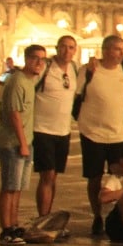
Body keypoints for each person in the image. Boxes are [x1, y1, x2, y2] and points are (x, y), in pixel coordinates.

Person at [79, 34, 123, 237]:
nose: (122, 53)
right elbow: (75, 93)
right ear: (106, 50)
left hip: (118, 133)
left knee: (120, 175)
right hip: (92, 132)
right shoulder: (89, 70)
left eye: (122, 49)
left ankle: (119, 215)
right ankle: (97, 216)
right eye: (117, 49)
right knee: (94, 177)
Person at [0, 44, 46, 245]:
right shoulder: (17, 81)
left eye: (42, 59)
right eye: (35, 58)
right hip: (12, 142)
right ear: (26, 59)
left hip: (24, 142)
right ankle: (6, 230)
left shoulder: (29, 81)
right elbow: (14, 114)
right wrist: (23, 143)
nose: (39, 63)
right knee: (9, 187)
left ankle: (14, 223)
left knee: (17, 188)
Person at [32, 36, 82, 218]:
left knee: (53, 177)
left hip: (63, 131)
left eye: (71, 47)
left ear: (75, 50)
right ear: (57, 48)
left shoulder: (75, 69)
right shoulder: (44, 67)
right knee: (47, 175)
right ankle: (42, 218)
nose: (67, 51)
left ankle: (47, 216)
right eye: (63, 47)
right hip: (42, 129)